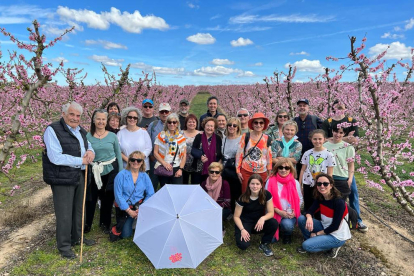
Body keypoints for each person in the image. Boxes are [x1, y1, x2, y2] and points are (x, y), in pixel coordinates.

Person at [42, 102, 96, 259]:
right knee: (64, 212)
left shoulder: (81, 130)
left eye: (78, 116)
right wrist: (81, 160)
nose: (75, 118)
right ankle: (64, 246)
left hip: (79, 174)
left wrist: (91, 152)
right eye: (72, 114)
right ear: (64, 114)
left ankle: (77, 238)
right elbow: (55, 157)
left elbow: (88, 145)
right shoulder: (53, 130)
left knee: (79, 209)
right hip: (62, 177)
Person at [322, 100, 367, 232]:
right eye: (337, 106)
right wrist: (346, 138)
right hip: (331, 168)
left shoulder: (351, 120)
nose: (340, 108)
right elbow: (323, 140)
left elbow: (355, 140)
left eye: (342, 106)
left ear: (346, 107)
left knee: (353, 192)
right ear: (333, 107)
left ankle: (357, 220)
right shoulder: (328, 122)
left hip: (345, 168)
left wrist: (337, 139)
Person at [85, 110, 123, 234]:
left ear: (106, 121)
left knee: (107, 198)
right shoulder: (87, 136)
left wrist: (121, 171)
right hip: (93, 170)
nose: (101, 122)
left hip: (110, 169)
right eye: (98, 119)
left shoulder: (112, 136)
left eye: (103, 119)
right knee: (91, 198)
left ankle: (105, 223)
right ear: (93, 120)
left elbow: (118, 154)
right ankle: (87, 224)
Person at [297, 173, 351, 258]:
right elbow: (309, 211)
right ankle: (314, 240)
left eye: (325, 184)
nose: (322, 186)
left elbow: (335, 226)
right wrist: (309, 217)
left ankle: (331, 246)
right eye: (319, 184)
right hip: (325, 227)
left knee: (306, 246)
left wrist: (317, 234)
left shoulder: (338, 202)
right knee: (301, 219)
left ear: (331, 185)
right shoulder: (321, 197)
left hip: (336, 235)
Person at [111, 151, 155, 241]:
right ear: (129, 161)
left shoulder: (145, 176)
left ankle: (135, 220)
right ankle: (131, 221)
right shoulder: (121, 175)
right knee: (126, 234)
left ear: (142, 162)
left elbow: (151, 193)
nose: (136, 162)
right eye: (133, 160)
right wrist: (129, 211)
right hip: (126, 208)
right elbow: (118, 195)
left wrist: (142, 208)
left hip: (139, 206)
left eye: (139, 160)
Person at [233, 174, 278, 257]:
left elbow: (271, 213)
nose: (255, 186)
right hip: (245, 223)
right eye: (252, 184)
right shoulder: (243, 198)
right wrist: (242, 229)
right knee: (243, 246)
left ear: (261, 185)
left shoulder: (266, 194)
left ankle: (264, 243)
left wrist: (263, 218)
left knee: (273, 222)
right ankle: (239, 232)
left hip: (258, 223)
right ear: (249, 185)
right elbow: (236, 217)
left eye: (257, 184)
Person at [265, 158, 303, 244]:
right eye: (280, 167)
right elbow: (266, 200)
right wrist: (279, 211)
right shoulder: (270, 181)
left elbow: (300, 199)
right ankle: (276, 227)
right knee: (271, 240)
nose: (283, 170)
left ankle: (287, 234)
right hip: (274, 212)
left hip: (289, 213)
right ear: (277, 168)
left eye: (287, 168)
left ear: (291, 169)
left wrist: (294, 210)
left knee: (287, 225)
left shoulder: (295, 182)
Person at [299, 129, 336, 211]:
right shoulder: (307, 153)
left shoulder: (329, 154)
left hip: (321, 184)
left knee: (319, 205)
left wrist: (328, 186)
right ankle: (307, 220)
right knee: (308, 204)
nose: (317, 141)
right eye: (315, 139)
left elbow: (330, 173)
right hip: (308, 183)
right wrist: (300, 184)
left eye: (320, 139)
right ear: (311, 139)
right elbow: (302, 170)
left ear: (324, 139)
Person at [236, 112, 272, 193]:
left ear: (264, 124)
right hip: (246, 170)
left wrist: (269, 170)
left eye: (261, 122)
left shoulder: (267, 138)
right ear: (252, 124)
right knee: (246, 193)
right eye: (256, 122)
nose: (258, 125)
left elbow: (269, 156)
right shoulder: (245, 136)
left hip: (262, 172)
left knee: (260, 194)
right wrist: (238, 170)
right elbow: (239, 154)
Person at [153, 113, 187, 187]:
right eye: (169, 122)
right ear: (167, 124)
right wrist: (164, 164)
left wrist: (180, 169)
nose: (172, 124)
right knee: (165, 189)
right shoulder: (160, 136)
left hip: (177, 167)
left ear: (177, 124)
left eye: (174, 122)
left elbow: (184, 155)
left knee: (177, 190)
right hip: (164, 166)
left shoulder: (181, 138)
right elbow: (155, 152)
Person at [117, 107, 152, 172]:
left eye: (135, 118)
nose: (132, 119)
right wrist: (129, 161)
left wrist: (138, 160)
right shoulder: (120, 133)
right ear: (126, 118)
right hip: (126, 167)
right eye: (130, 117)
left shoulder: (143, 132)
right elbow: (118, 150)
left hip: (141, 167)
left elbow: (148, 148)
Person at [324, 126, 355, 200]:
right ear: (332, 131)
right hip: (326, 177)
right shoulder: (324, 146)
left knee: (340, 202)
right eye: (336, 132)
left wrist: (350, 179)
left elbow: (351, 165)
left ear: (344, 134)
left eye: (341, 133)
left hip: (342, 178)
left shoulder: (348, 147)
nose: (338, 135)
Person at [293, 99, 323, 176]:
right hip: (298, 156)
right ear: (297, 108)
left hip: (313, 155)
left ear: (308, 108)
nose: (302, 107)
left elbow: (324, 133)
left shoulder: (314, 119)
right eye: (300, 106)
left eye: (304, 106)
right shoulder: (294, 121)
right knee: (299, 175)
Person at [200, 162, 231, 234]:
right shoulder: (204, 184)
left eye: (217, 172)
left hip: (223, 208)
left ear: (220, 173)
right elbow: (201, 199)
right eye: (212, 171)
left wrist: (215, 208)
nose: (214, 174)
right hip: (208, 207)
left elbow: (227, 201)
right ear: (208, 172)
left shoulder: (225, 183)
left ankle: (221, 230)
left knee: (216, 213)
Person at [191, 117, 223, 184]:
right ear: (204, 126)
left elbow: (220, 153)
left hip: (213, 170)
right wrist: (200, 156)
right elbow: (193, 150)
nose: (209, 128)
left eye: (211, 126)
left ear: (214, 128)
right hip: (199, 168)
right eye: (207, 125)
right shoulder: (199, 137)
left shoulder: (218, 138)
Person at [147, 103, 171, 190]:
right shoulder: (153, 125)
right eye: (162, 112)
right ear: (159, 113)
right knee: (152, 184)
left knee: (166, 186)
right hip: (155, 160)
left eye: (166, 111)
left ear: (169, 112)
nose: (164, 114)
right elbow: (148, 141)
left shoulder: (174, 124)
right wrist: (150, 156)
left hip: (168, 161)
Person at [221, 117, 242, 212]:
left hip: (235, 168)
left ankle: (235, 211)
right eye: (229, 125)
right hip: (225, 168)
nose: (231, 127)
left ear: (238, 127)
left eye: (234, 125)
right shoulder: (224, 139)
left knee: (235, 191)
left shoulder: (241, 139)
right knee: (226, 189)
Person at [182, 114, 201, 184]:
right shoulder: (181, 133)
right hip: (183, 164)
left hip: (196, 164)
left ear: (196, 123)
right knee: (183, 185)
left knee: (195, 185)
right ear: (186, 123)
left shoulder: (201, 134)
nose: (191, 124)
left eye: (193, 122)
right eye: (189, 122)